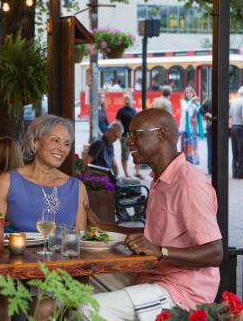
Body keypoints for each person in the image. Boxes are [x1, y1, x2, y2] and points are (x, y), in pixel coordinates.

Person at [82, 108, 223, 321]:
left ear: (161, 134)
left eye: (135, 134)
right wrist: (103, 226)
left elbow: (215, 253)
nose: (128, 141)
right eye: (128, 135)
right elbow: (155, 234)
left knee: (89, 309)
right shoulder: (160, 179)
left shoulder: (188, 184)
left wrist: (160, 251)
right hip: (152, 276)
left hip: (181, 293)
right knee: (80, 281)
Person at [0, 115, 88, 321]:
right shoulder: (7, 181)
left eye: (67, 143)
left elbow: (80, 241)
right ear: (35, 142)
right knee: (3, 310)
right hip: (7, 271)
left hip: (54, 275)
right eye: (55, 140)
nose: (62, 148)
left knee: (44, 307)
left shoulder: (77, 188)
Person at [116, 94, 142, 179]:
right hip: (125, 136)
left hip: (134, 136)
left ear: (132, 100)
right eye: (126, 99)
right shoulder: (121, 111)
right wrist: (119, 134)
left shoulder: (134, 110)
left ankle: (137, 172)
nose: (127, 100)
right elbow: (117, 122)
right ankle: (126, 173)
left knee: (138, 153)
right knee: (125, 155)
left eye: (128, 99)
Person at [229, 85, 243, 179]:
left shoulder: (234, 101)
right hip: (242, 129)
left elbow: (230, 115)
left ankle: (235, 172)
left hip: (234, 127)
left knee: (235, 152)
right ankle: (242, 174)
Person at [178, 87, 204, 165]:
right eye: (187, 92)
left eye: (190, 92)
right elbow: (185, 108)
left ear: (193, 93)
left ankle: (192, 162)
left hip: (193, 127)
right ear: (185, 94)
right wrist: (191, 101)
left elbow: (199, 112)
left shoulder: (196, 103)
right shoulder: (183, 102)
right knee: (186, 145)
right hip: (185, 128)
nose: (189, 94)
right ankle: (185, 162)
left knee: (193, 145)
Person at [200, 95, 213, 174]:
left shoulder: (208, 101)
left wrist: (207, 114)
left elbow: (201, 110)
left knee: (210, 148)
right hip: (220, 126)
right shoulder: (224, 101)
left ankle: (210, 168)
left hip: (210, 124)